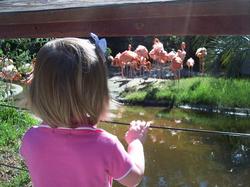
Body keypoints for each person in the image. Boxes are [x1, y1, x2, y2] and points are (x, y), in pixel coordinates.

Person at [20, 37, 150, 187]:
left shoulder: (31, 138)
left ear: (38, 91)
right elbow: (134, 178)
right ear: (98, 93)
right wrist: (135, 141)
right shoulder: (106, 145)